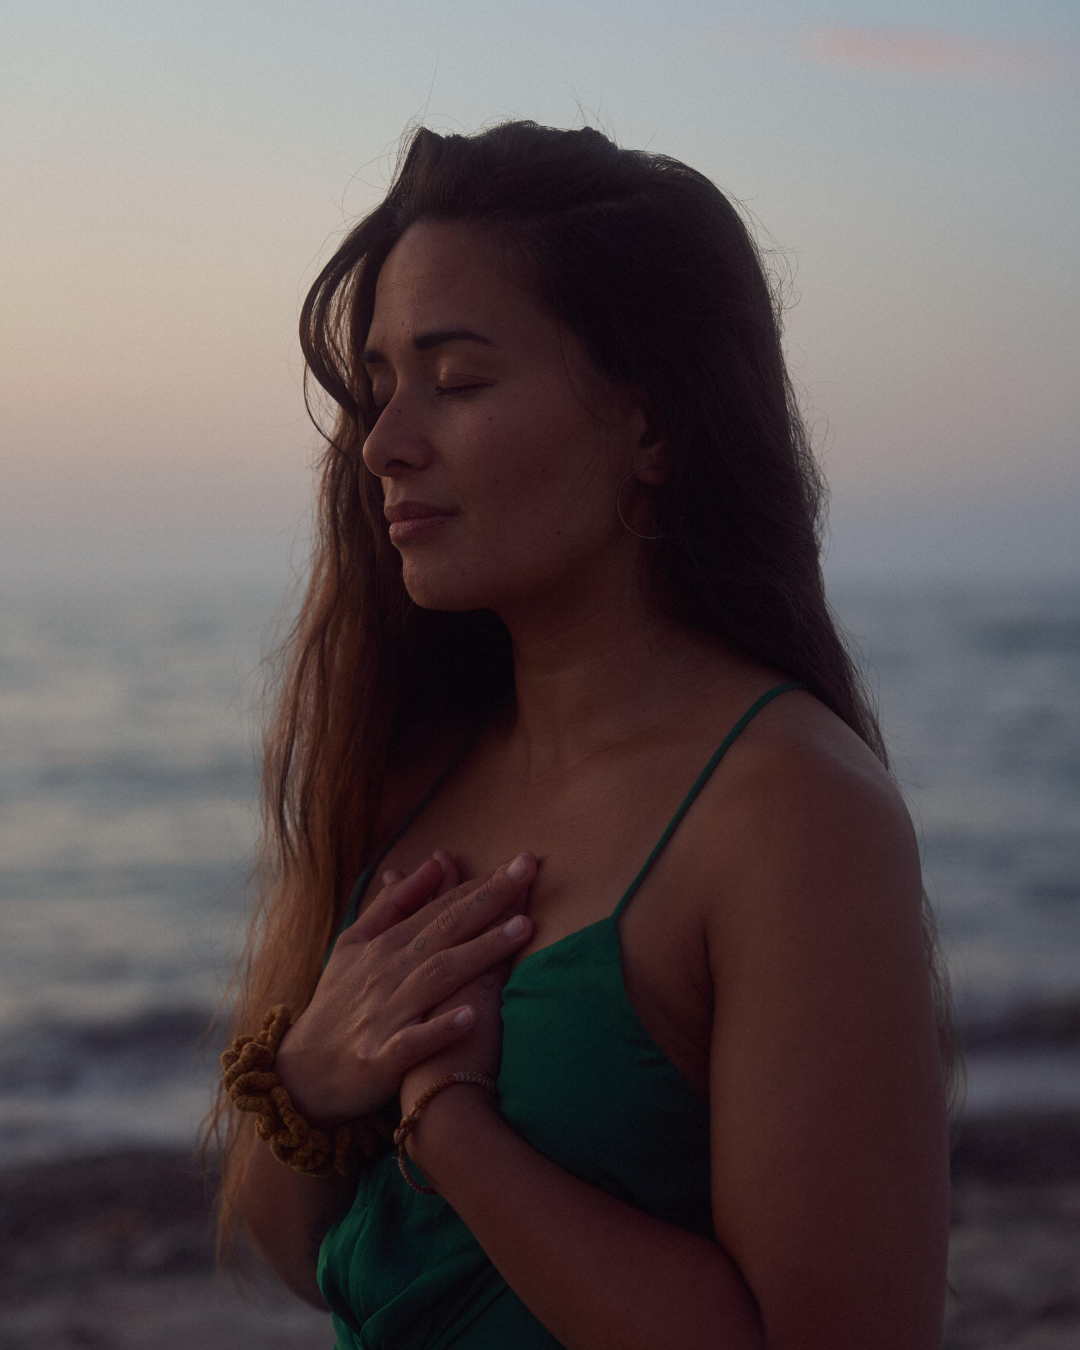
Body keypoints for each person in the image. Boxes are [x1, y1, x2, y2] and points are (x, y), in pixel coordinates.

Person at [211, 121, 954, 1349]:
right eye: (381, 385)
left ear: (651, 426)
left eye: (455, 381)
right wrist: (312, 1081)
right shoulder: (410, 763)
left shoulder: (789, 811)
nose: (385, 444)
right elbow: (303, 1256)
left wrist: (449, 1126)